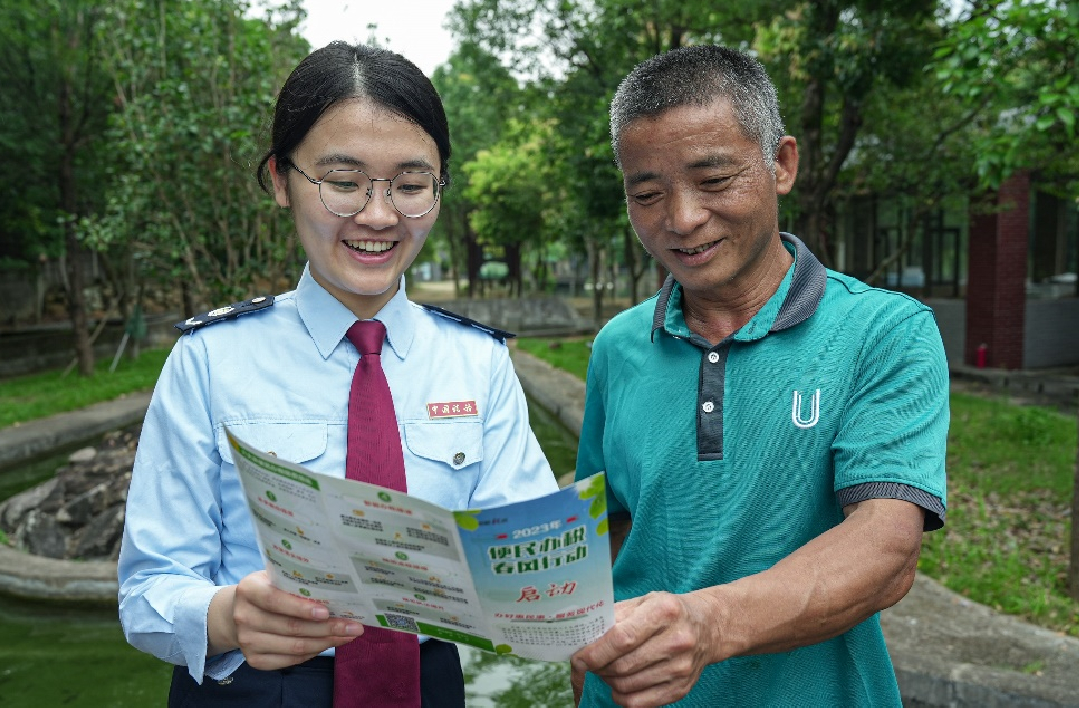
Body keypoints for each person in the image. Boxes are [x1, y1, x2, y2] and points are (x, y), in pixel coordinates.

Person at [117, 41, 560, 707]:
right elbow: (147, 590)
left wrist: (556, 571)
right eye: (344, 182)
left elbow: (525, 563)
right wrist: (230, 616)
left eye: (410, 186)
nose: (379, 215)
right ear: (279, 178)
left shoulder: (478, 363)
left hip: (426, 685)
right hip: (250, 687)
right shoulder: (211, 359)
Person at [570, 45, 950, 707]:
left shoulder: (885, 332)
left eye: (713, 179)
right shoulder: (617, 346)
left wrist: (708, 624)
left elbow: (885, 545)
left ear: (781, 163)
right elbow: (609, 525)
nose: (681, 219)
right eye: (648, 193)